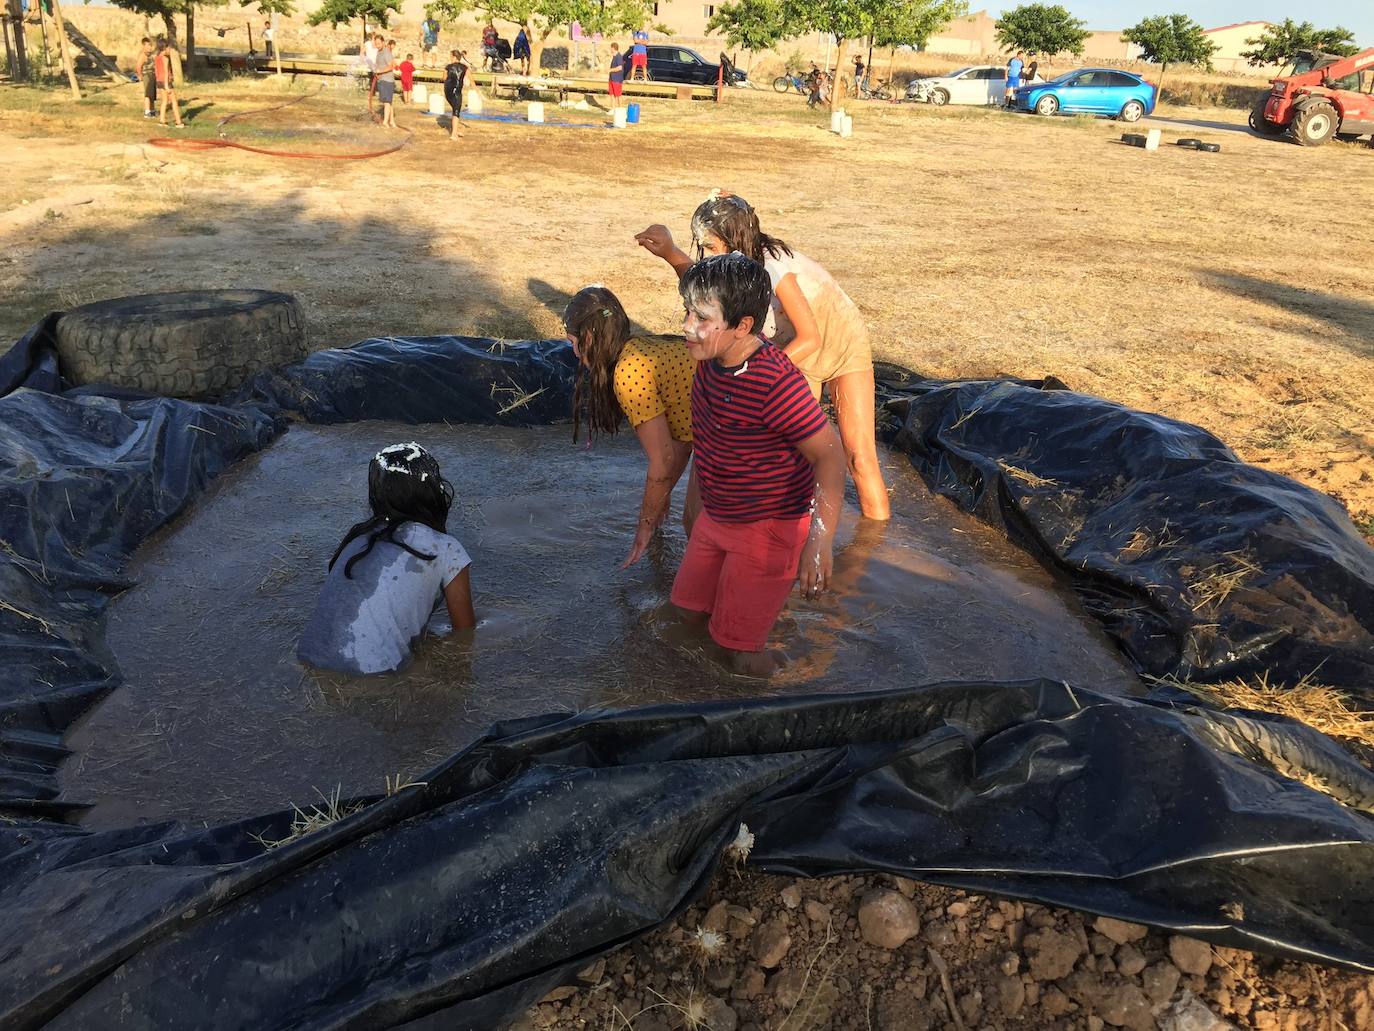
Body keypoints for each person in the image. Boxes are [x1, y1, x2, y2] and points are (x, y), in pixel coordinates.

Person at [635, 193, 890, 521]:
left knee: (859, 457)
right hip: (793, 351)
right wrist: (670, 252)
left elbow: (810, 337)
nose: (705, 255)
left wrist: (756, 376)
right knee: (794, 457)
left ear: (734, 240)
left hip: (836, 341)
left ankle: (872, 545)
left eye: (710, 246)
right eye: (701, 247)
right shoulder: (732, 268)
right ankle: (790, 535)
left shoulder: (770, 265)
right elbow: (703, 291)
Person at [671, 254, 845, 678]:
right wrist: (695, 508)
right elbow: (708, 438)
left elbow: (829, 455)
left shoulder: (774, 383)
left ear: (743, 325)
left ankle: (797, 683)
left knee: (740, 654)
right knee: (684, 618)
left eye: (702, 318)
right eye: (687, 312)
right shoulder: (709, 361)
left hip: (768, 529)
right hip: (718, 516)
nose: (687, 326)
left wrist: (819, 542)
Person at [298, 443, 476, 675]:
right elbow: (464, 633)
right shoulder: (447, 548)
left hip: (309, 658)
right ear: (433, 491)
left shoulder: (357, 538)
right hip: (376, 673)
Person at [563, 285, 696, 567]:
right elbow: (682, 440)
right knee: (697, 524)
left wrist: (644, 528)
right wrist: (661, 497)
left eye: (572, 342)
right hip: (739, 417)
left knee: (700, 527)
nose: (574, 352)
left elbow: (662, 461)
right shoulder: (640, 347)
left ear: (589, 338)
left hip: (747, 424)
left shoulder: (628, 372)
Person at [154, 37, 184, 129]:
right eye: (168, 47)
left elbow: (156, 70)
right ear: (164, 47)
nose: (170, 49)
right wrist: (167, 86)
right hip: (166, 82)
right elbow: (166, 72)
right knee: (174, 102)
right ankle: (178, 122)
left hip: (159, 81)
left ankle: (162, 121)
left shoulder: (157, 57)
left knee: (164, 101)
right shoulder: (165, 58)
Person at [443, 48, 469, 141]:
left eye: (450, 57)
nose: (450, 58)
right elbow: (470, 79)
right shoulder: (465, 67)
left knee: (455, 110)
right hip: (457, 92)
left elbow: (444, 78)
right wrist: (477, 91)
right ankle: (454, 134)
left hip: (448, 91)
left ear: (454, 57)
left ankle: (455, 130)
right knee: (456, 111)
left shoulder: (448, 67)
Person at [374, 37, 397, 128]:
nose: (377, 45)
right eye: (376, 44)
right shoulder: (379, 52)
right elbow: (379, 65)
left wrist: (380, 72)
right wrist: (377, 73)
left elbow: (391, 66)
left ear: (383, 42)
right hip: (382, 80)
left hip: (387, 80)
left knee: (387, 102)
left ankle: (385, 122)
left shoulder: (386, 52)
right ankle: (391, 121)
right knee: (388, 102)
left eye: (379, 43)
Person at [134, 37, 156, 118]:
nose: (150, 47)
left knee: (152, 94)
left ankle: (152, 110)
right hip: (146, 75)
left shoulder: (151, 55)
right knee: (148, 94)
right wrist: (140, 76)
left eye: (150, 45)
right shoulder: (142, 55)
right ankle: (147, 111)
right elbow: (138, 66)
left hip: (152, 75)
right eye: (148, 45)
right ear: (144, 46)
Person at [607, 42, 625, 109]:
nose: (610, 49)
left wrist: (610, 70)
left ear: (613, 48)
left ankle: (620, 109)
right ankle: (613, 109)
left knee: (618, 95)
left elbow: (619, 68)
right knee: (612, 95)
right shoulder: (614, 57)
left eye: (611, 48)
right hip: (611, 78)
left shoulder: (619, 56)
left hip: (617, 79)